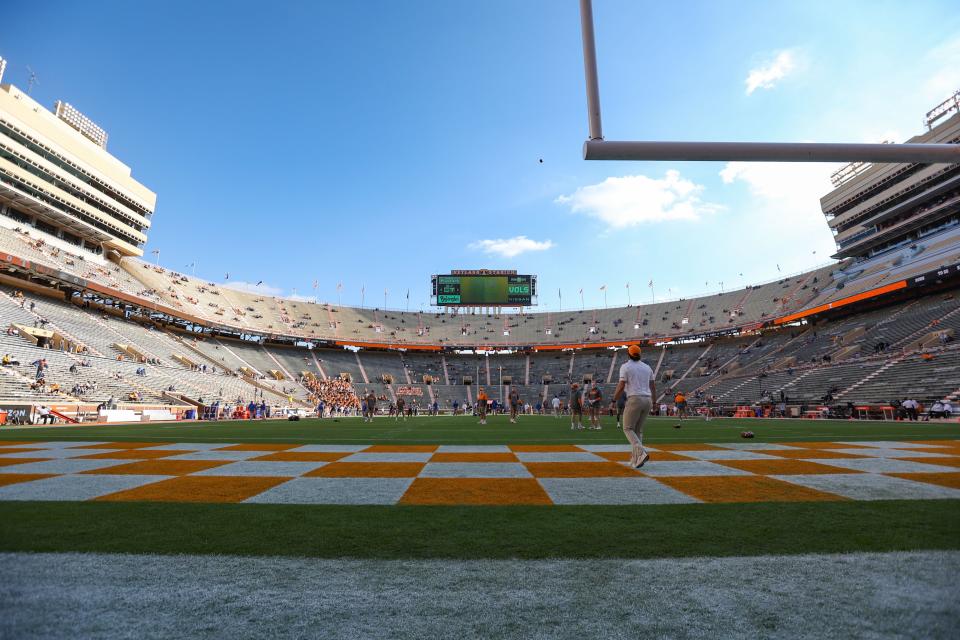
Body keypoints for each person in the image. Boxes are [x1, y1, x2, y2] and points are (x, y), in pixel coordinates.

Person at [613, 345, 656, 468]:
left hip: (634, 398)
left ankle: (640, 452)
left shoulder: (625, 367)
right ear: (640, 354)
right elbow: (653, 386)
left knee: (627, 428)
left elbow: (621, 386)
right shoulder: (647, 367)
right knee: (638, 430)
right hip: (647, 399)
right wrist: (655, 401)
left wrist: (613, 399)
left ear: (628, 354)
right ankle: (636, 459)